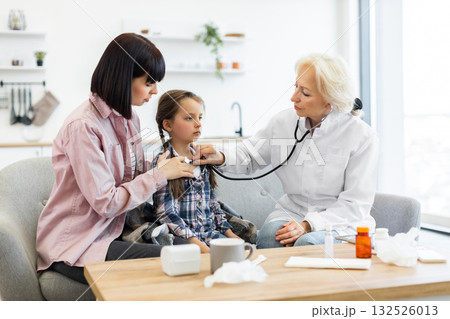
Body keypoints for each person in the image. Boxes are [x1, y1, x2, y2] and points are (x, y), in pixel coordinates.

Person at [35, 33, 195, 284]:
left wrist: (169, 162)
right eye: (149, 81)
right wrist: (160, 175)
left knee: (189, 249)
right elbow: (106, 203)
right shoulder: (83, 127)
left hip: (116, 231)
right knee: (174, 259)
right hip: (78, 244)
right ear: (124, 77)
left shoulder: (130, 118)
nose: (154, 91)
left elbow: (132, 177)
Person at [193, 54, 379, 249]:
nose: (293, 97)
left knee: (307, 243)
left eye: (305, 93)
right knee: (268, 237)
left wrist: (308, 225)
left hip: (340, 222)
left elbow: (355, 203)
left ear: (329, 102)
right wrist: (220, 156)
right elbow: (250, 154)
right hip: (292, 213)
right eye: (296, 87)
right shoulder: (283, 122)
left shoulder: (362, 136)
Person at [150, 89, 240, 254]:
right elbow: (167, 213)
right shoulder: (163, 164)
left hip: (211, 236)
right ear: (168, 125)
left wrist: (231, 235)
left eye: (200, 117)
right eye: (189, 118)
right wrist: (200, 246)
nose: (198, 124)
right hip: (182, 241)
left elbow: (213, 205)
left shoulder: (203, 159)